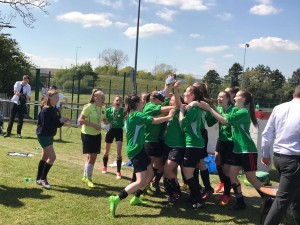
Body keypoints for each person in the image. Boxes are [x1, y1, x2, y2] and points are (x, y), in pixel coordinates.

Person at [109, 94, 174, 218]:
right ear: (137, 104)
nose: (144, 102)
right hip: (135, 151)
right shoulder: (137, 115)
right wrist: (169, 116)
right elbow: (154, 121)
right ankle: (116, 198)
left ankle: (137, 197)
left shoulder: (132, 114)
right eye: (142, 101)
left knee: (150, 173)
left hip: (139, 149)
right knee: (140, 181)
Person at [199, 90, 265, 210]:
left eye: (237, 96)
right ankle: (240, 201)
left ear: (243, 100)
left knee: (251, 178)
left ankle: (268, 200)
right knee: (230, 173)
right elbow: (224, 120)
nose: (234, 98)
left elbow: (225, 121)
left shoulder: (244, 112)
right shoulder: (236, 110)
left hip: (247, 150)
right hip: (237, 150)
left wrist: (209, 109)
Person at [261, 85, 300, 225]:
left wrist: (265, 154)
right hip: (294, 160)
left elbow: (267, 134)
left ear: (293, 94)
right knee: (282, 200)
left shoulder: (279, 107)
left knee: (295, 197)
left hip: (279, 158)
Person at [35, 89, 69, 189]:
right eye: (55, 97)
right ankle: (43, 179)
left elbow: (56, 124)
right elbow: (46, 125)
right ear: (49, 98)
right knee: (52, 157)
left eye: (58, 97)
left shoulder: (56, 109)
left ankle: (38, 178)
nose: (57, 99)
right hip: (43, 135)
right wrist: (59, 120)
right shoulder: (45, 110)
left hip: (50, 135)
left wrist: (62, 121)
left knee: (44, 158)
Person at [179, 85, 206, 209]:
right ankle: (195, 195)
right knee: (191, 171)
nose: (184, 93)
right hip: (195, 144)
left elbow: (182, 124)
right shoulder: (194, 107)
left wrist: (181, 111)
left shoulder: (193, 109)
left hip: (193, 144)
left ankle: (199, 198)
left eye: (186, 92)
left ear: (193, 95)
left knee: (187, 172)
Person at [78, 89, 107, 188]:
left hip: (97, 134)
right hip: (87, 134)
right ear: (95, 98)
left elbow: (104, 119)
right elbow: (81, 120)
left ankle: (85, 176)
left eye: (104, 97)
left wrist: (107, 124)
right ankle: (89, 179)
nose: (104, 99)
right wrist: (94, 125)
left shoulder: (103, 108)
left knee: (90, 157)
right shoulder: (88, 107)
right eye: (101, 97)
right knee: (93, 156)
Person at [102, 96, 125, 179]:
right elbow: (103, 119)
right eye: (117, 100)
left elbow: (128, 115)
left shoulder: (123, 110)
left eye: (120, 100)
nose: (118, 102)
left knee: (119, 152)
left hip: (119, 130)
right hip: (110, 130)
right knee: (106, 151)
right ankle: (104, 166)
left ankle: (118, 172)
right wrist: (107, 123)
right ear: (113, 101)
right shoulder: (108, 110)